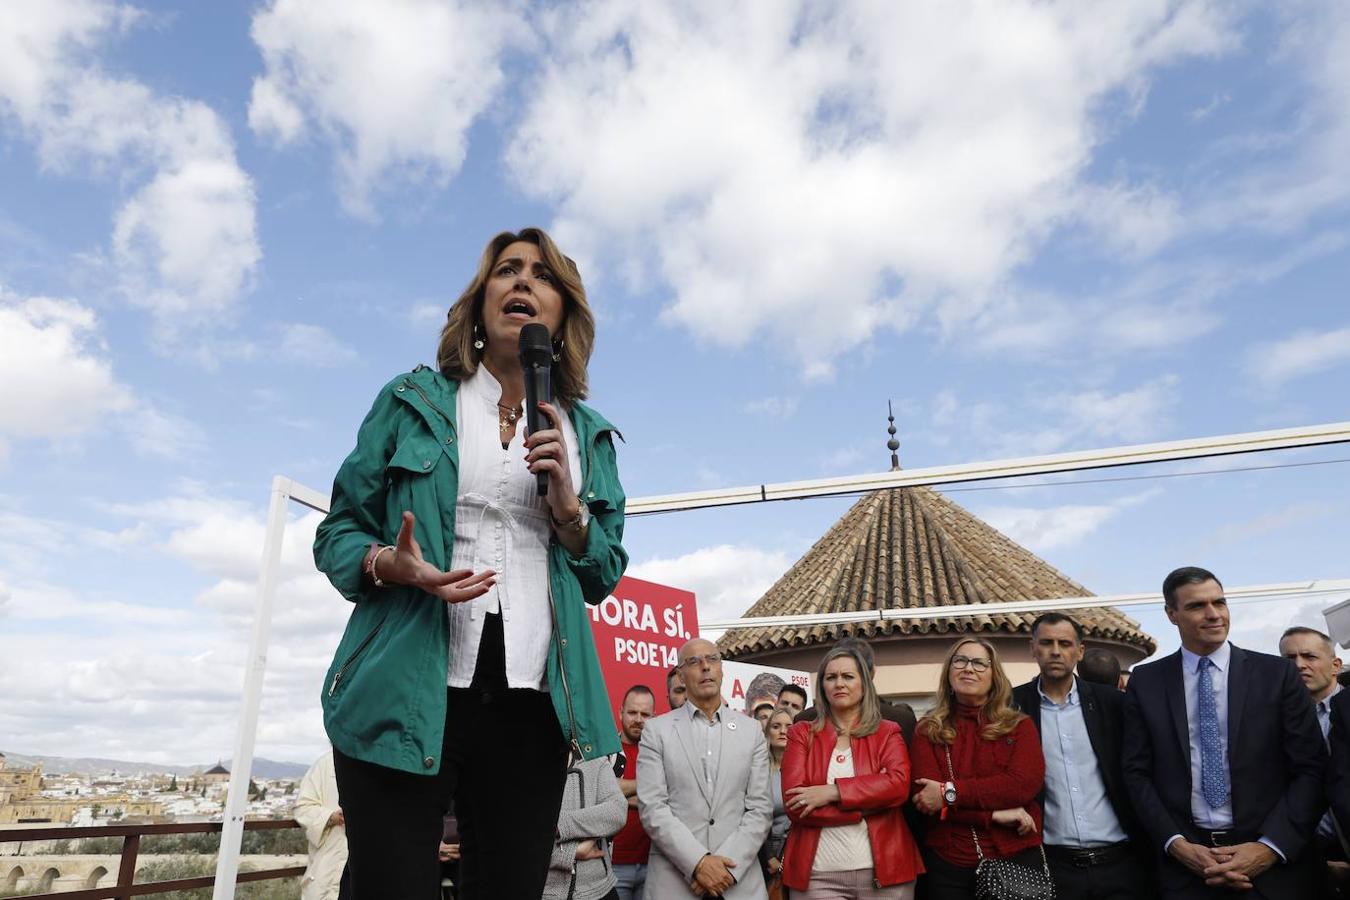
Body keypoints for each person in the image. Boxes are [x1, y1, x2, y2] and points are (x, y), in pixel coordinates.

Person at [312, 227, 628, 899]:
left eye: (542, 276)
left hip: (531, 702)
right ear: (480, 303)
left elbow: (603, 573)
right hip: (407, 686)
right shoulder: (413, 402)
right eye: (506, 270)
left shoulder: (588, 434)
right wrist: (388, 565)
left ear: (563, 312)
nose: (521, 282)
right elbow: (337, 533)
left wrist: (571, 512)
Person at [1123, 566, 1326, 899]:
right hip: (1185, 873)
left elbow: (1311, 768)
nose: (1213, 614)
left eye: (1220, 602)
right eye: (1196, 606)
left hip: (1273, 873)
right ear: (1171, 614)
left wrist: (1268, 848)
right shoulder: (1146, 682)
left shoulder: (1277, 676)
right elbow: (1135, 772)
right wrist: (1177, 845)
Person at [1011, 612, 1147, 900]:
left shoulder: (1112, 704)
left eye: (1065, 643)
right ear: (1033, 648)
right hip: (1053, 866)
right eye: (1046, 643)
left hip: (1121, 863)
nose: (1056, 651)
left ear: (1079, 651)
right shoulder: (1012, 707)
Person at [781, 642, 922, 899]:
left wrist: (833, 792)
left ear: (864, 683)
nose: (839, 683)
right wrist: (868, 806)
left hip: (886, 870)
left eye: (848, 676)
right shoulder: (801, 733)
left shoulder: (887, 731)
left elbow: (899, 786)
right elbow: (795, 804)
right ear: (822, 685)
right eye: (831, 677)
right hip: (817, 875)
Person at [910, 637, 1047, 900]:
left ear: (994, 675)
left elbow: (1022, 784)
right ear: (948, 672)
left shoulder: (1019, 726)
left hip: (1016, 858)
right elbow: (926, 800)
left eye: (979, 663)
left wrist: (950, 793)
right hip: (948, 865)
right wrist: (994, 815)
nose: (968, 668)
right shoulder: (927, 729)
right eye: (959, 661)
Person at [638, 638, 773, 899]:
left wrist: (725, 869)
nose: (705, 667)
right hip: (675, 883)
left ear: (721, 668)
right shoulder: (657, 731)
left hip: (738, 880)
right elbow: (653, 807)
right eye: (693, 661)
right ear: (680, 674)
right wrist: (698, 863)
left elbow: (760, 808)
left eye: (712, 659)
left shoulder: (751, 730)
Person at [1279, 626, 1349, 894]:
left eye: (1309, 656)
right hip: (1306, 856)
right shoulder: (1275, 723)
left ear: (1335, 665)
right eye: (1289, 659)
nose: (1299, 665)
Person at [545, 755, 628, 900]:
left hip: (600, 889)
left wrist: (557, 825)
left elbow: (617, 811)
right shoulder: (521, 763)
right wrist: (569, 853)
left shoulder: (595, 758)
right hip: (544, 892)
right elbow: (510, 842)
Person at [614, 685, 656, 900]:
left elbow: (667, 797)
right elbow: (607, 790)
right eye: (632, 712)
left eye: (645, 714)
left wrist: (623, 793)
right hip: (613, 865)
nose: (638, 719)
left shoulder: (660, 752)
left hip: (654, 864)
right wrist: (650, 787)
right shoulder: (607, 750)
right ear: (621, 712)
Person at [293, 750, 349, 900]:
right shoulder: (325, 764)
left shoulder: (380, 764)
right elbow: (302, 808)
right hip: (331, 864)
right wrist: (330, 817)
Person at [761, 708, 794, 895]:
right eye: (776, 726)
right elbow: (754, 815)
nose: (783, 731)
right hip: (770, 855)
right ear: (768, 733)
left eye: (789, 726)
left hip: (800, 850)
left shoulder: (806, 769)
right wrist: (769, 857)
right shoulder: (759, 772)